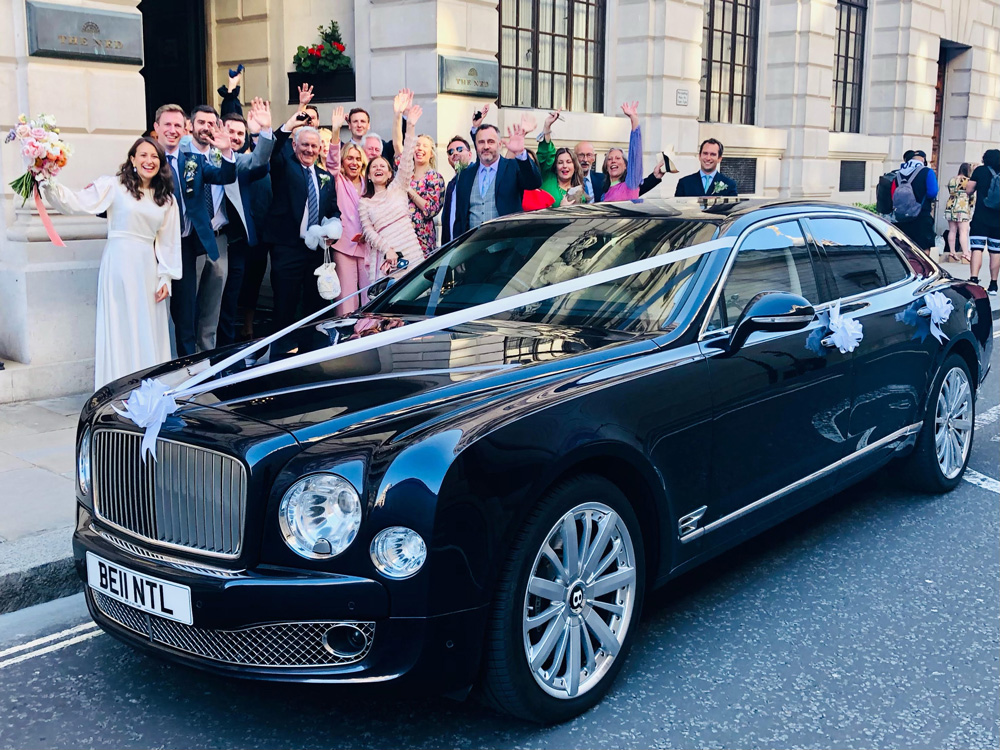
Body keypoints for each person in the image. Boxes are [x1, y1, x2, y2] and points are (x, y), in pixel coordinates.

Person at [41, 137, 181, 388]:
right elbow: (76, 201)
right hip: (118, 263)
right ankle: (118, 390)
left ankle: (147, 389)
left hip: (147, 268)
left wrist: (166, 277)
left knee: (147, 328)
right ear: (132, 159)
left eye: (155, 157)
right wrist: (46, 181)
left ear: (161, 163)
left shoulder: (167, 199)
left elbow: (169, 242)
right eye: (143, 155)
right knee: (119, 326)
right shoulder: (114, 186)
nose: (149, 161)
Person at [154, 103, 237, 357]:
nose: (172, 130)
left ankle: (185, 368)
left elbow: (224, 176)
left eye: (177, 125)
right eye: (167, 124)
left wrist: (226, 151)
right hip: (152, 248)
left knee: (186, 311)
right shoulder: (147, 159)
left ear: (185, 129)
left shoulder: (194, 161)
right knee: (153, 310)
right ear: (156, 128)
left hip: (185, 247)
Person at [265, 112, 340, 345]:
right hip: (288, 248)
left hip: (316, 252)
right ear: (295, 146)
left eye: (314, 146)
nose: (309, 150)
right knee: (285, 306)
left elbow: (333, 210)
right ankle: (281, 356)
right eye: (304, 144)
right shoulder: (284, 167)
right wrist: (288, 125)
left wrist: (333, 229)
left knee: (315, 307)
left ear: (320, 149)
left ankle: (311, 354)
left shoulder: (325, 176)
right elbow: (272, 152)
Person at [216, 100, 275, 348]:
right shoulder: (205, 158)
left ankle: (226, 350)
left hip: (239, 240)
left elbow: (260, 161)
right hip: (210, 241)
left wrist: (261, 130)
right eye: (231, 132)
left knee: (231, 299)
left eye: (241, 133)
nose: (236, 137)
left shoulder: (242, 162)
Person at [359, 98, 425, 277]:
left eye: (383, 166)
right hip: (385, 257)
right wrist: (387, 249)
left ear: (390, 174)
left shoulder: (399, 186)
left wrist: (410, 126)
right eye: (374, 167)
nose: (378, 168)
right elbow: (368, 232)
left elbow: (406, 158)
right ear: (370, 176)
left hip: (411, 251)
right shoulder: (365, 202)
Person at [452, 121, 541, 236]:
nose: (486, 147)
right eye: (481, 142)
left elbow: (534, 182)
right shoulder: (465, 174)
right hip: (473, 248)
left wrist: (520, 153)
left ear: (499, 144)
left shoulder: (512, 167)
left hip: (506, 245)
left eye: (491, 142)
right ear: (476, 146)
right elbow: (460, 218)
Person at [327, 106, 371, 315]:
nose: (354, 162)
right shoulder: (338, 179)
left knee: (368, 296)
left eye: (357, 159)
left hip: (366, 246)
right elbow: (332, 163)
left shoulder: (367, 183)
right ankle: (344, 339)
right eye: (349, 158)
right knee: (346, 299)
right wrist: (336, 132)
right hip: (343, 246)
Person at [965, 148, 1000, 294]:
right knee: (995, 251)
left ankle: (974, 279)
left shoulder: (980, 170)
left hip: (980, 217)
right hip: (998, 220)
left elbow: (968, 190)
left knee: (977, 249)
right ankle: (993, 284)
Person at [891, 149, 938, 254]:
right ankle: (922, 269)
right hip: (922, 215)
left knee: (906, 248)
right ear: (923, 160)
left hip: (902, 217)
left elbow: (893, 194)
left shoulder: (899, 173)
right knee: (924, 248)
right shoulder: (927, 171)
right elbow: (932, 192)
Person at [538, 109, 587, 206]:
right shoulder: (548, 177)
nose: (564, 166)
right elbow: (545, 154)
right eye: (560, 162)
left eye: (568, 162)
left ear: (575, 166)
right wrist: (547, 127)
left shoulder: (579, 194)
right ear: (555, 166)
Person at [599, 102, 644, 202]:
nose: (613, 161)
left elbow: (635, 155)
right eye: (609, 159)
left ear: (625, 166)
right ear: (606, 167)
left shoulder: (630, 184)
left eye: (618, 158)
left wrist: (634, 119)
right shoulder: (604, 193)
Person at [440, 135, 472, 245]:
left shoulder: (475, 176)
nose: (455, 153)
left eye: (459, 149)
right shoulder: (451, 185)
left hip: (470, 244)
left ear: (470, 154)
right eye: (450, 152)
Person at [944, 162, 974, 263]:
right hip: (962, 206)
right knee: (963, 231)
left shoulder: (952, 179)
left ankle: (952, 252)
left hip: (950, 204)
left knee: (952, 230)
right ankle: (965, 253)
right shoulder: (968, 181)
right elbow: (972, 197)